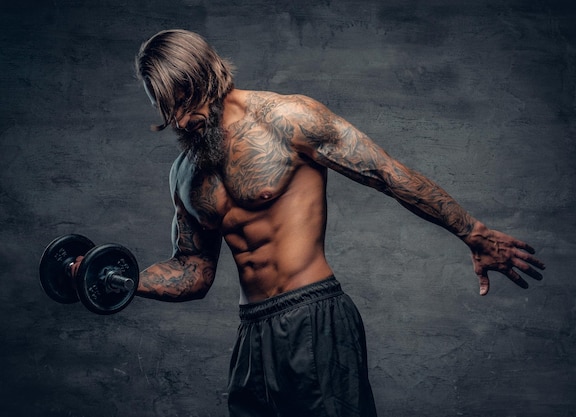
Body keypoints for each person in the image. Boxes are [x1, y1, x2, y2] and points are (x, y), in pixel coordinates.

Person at [132, 29, 545, 417]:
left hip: (313, 317)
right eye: (169, 109)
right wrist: (115, 276)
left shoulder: (288, 119)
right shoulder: (184, 173)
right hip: (252, 335)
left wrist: (471, 232)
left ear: (206, 76)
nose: (182, 120)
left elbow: (386, 173)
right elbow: (193, 271)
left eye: (186, 101)